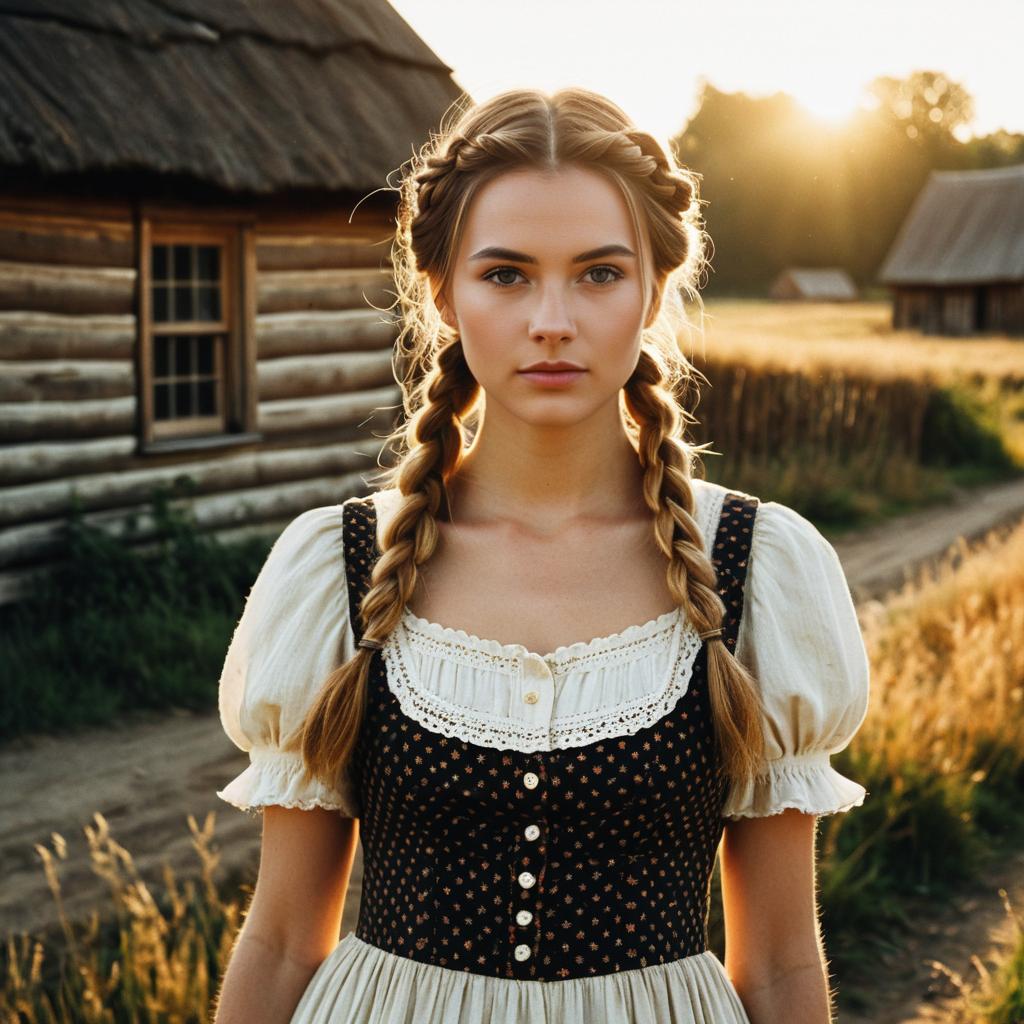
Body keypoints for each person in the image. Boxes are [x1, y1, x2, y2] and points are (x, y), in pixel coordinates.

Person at [211, 87, 871, 1024]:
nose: (552, 319)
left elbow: (779, 965)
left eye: (599, 274)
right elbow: (281, 942)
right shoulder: (343, 565)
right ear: (443, 293)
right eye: (507, 275)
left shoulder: (756, 568)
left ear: (653, 291)